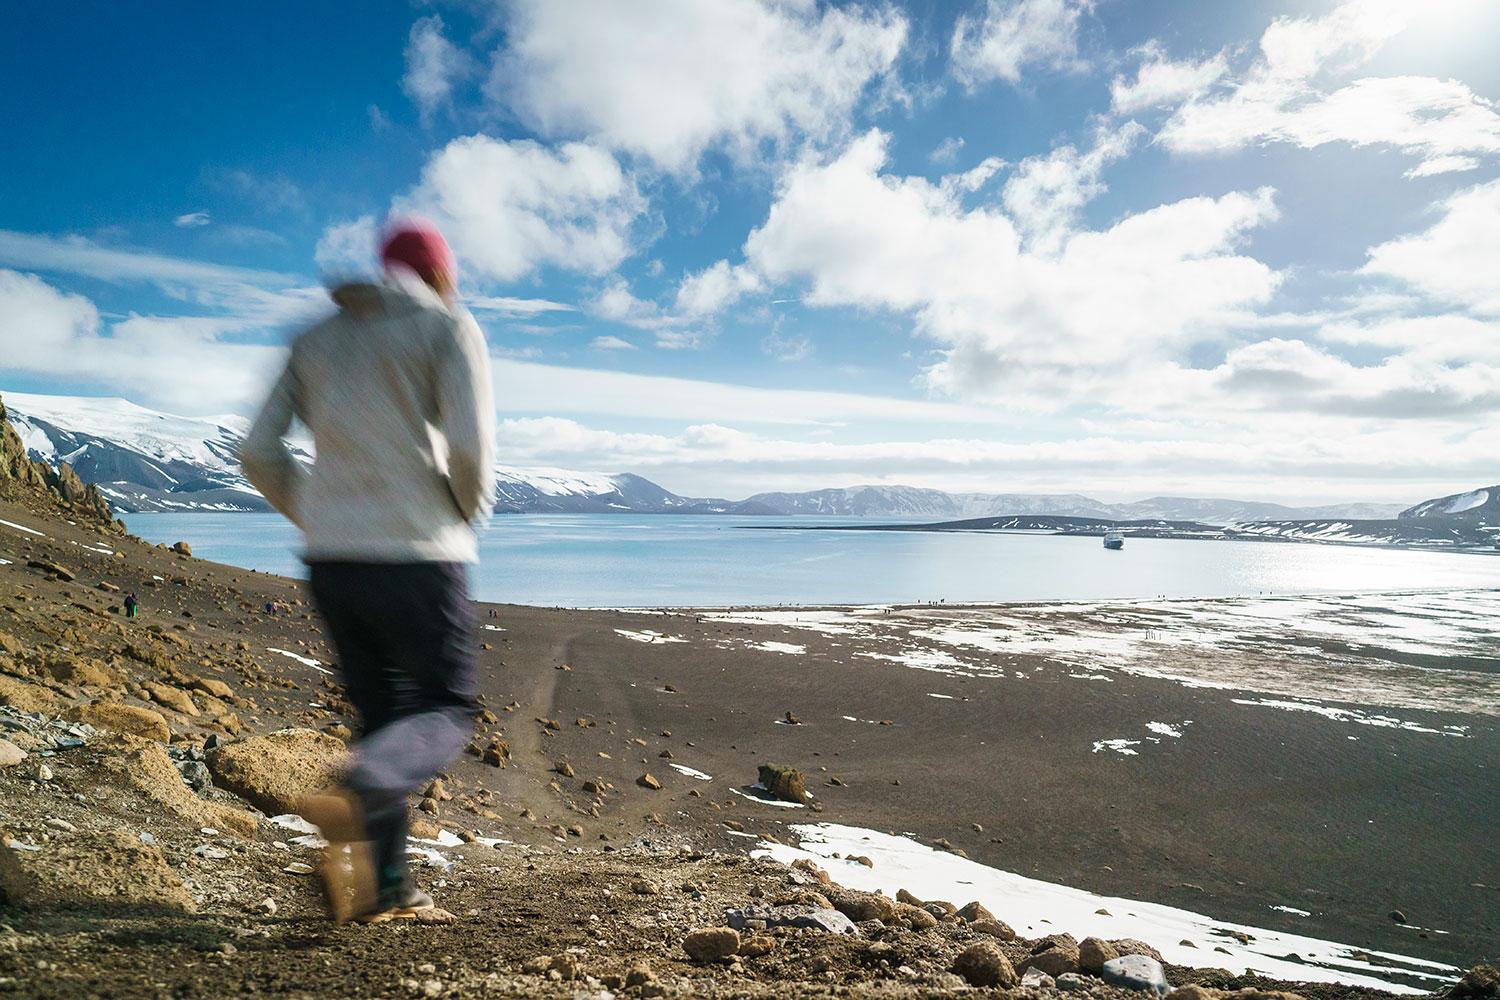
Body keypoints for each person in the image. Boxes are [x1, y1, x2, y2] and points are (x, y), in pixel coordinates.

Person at [240, 219, 495, 923]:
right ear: (441, 275)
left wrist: (319, 517)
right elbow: (470, 450)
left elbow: (257, 450)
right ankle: (359, 794)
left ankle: (387, 888)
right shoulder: (446, 326)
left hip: (332, 563)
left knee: (382, 717)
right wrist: (459, 516)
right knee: (446, 706)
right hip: (418, 553)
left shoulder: (314, 339)